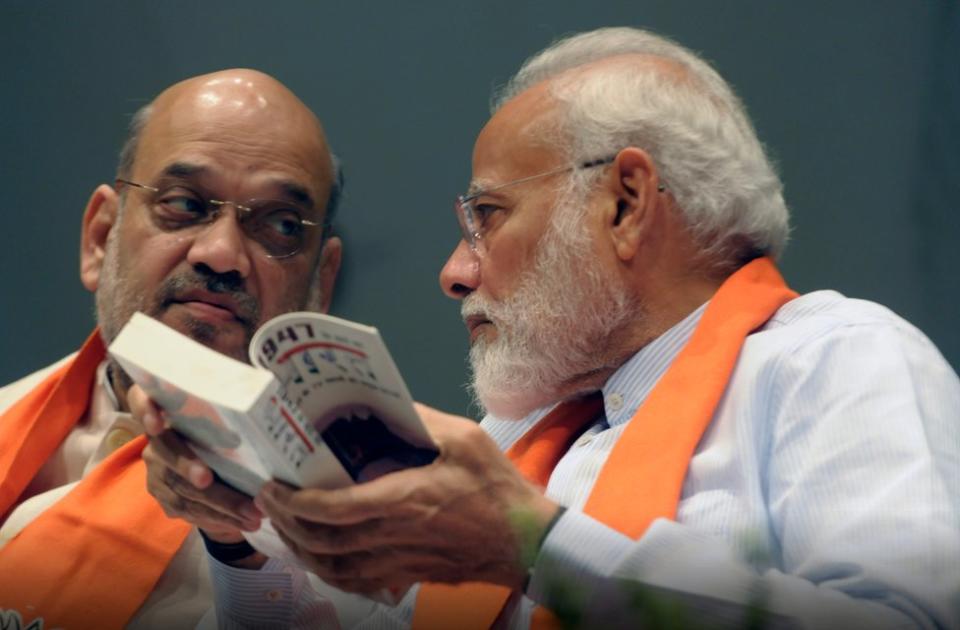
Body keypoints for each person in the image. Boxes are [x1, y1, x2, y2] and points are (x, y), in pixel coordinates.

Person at [139, 27, 960, 629]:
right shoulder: (523, 436)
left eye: (486, 216)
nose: (454, 272)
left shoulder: (836, 361)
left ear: (626, 203)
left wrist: (536, 547)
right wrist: (236, 541)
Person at [0, 69, 343, 629]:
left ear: (321, 285)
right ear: (99, 237)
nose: (221, 253)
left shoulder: (355, 531)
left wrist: (240, 548)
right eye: (184, 204)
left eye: (281, 225)